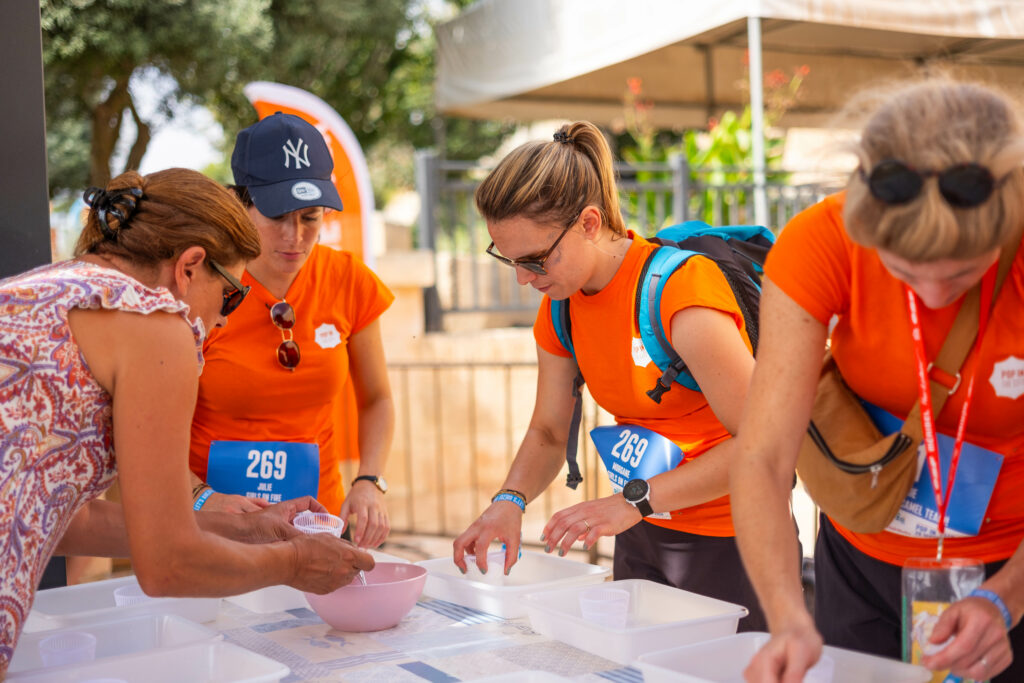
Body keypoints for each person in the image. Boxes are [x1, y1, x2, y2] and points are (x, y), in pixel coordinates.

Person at [0, 168, 374, 675]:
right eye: (231, 297)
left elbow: (68, 522)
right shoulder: (156, 324)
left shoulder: (44, 289)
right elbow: (168, 566)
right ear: (191, 266)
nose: (222, 320)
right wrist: (294, 564)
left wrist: (246, 531)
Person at [730, 79, 1024, 682]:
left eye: (964, 273)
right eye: (904, 271)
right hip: (860, 552)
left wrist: (1006, 598)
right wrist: (788, 615)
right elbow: (761, 457)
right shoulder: (822, 241)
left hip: (1011, 561)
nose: (934, 294)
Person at [452, 121, 777, 631]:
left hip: (734, 537)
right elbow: (548, 431)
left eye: (535, 259)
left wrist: (635, 499)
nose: (523, 278)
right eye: (509, 260)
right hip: (640, 530)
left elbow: (765, 441)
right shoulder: (560, 306)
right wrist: (508, 502)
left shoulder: (680, 291)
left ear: (587, 222)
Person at [188, 112, 394, 549]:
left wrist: (370, 480)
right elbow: (150, 429)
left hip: (315, 526)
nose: (294, 236)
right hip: (215, 525)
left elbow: (377, 399)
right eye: (276, 215)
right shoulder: (200, 284)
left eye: (311, 217)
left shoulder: (348, 279)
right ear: (236, 204)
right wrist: (202, 496)